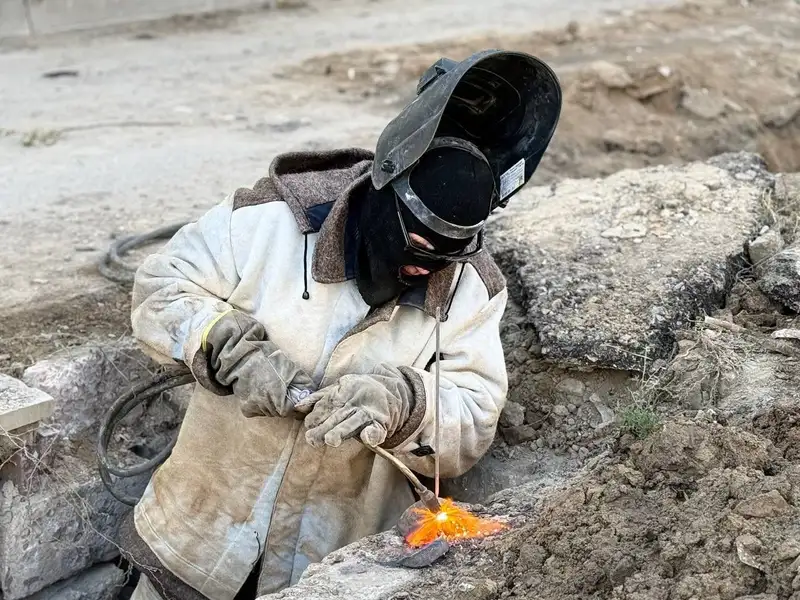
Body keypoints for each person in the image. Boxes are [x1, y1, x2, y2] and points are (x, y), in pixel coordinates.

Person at [121, 49, 561, 600]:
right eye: (416, 246)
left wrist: (404, 402)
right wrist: (227, 346)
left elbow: (473, 414)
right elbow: (162, 285)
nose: (422, 268)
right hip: (197, 536)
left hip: (328, 567)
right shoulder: (271, 220)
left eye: (444, 257)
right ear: (385, 189)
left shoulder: (472, 287)